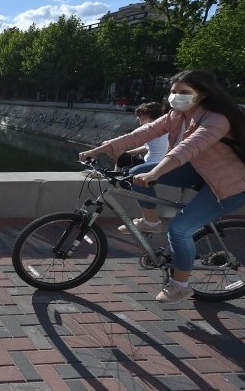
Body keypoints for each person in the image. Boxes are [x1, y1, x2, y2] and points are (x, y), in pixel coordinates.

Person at [78, 70, 245, 304]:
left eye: (184, 92)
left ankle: (180, 285)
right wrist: (97, 150)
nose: (176, 96)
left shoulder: (217, 119)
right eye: (174, 91)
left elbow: (188, 148)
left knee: (179, 230)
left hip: (231, 184)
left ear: (203, 94)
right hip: (200, 171)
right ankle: (151, 221)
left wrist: (155, 172)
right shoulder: (177, 115)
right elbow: (142, 134)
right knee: (135, 172)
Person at [113, 102, 168, 169]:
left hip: (148, 164)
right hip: (164, 164)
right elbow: (148, 146)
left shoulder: (147, 128)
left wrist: (98, 151)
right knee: (122, 156)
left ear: (148, 115)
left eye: (139, 115)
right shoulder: (165, 127)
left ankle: (117, 175)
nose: (137, 118)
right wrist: (128, 153)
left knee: (114, 150)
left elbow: (123, 140)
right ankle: (119, 173)